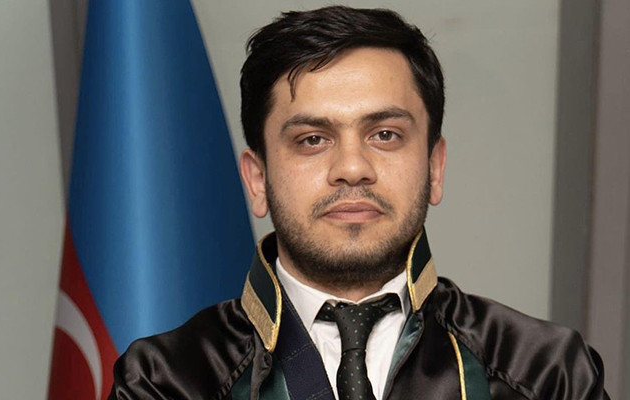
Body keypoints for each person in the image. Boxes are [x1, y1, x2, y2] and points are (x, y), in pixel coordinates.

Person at [109, 6, 608, 400]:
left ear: (435, 168)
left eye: (385, 134)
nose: (352, 167)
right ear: (257, 180)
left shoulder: (545, 372)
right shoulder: (167, 380)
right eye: (312, 139)